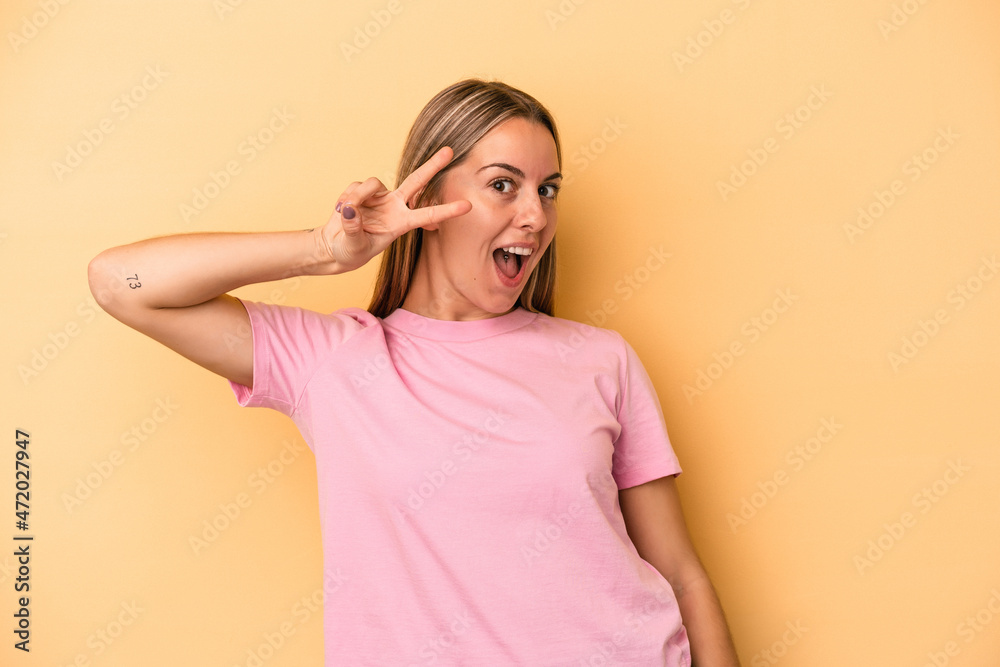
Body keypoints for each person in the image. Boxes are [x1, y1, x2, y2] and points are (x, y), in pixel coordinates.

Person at [88, 79, 740, 666]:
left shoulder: (602, 358)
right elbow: (120, 282)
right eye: (503, 185)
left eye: (547, 190)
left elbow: (681, 574)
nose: (536, 216)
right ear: (427, 198)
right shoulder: (335, 361)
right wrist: (325, 249)